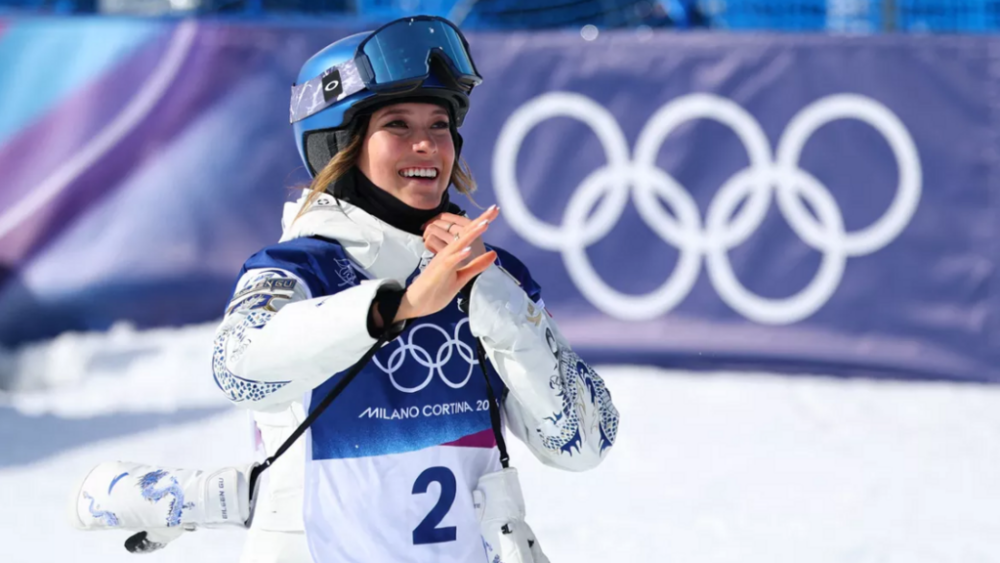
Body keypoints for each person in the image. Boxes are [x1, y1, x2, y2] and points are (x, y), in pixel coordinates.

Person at [69, 16, 619, 563]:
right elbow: (237, 367)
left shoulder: (495, 276)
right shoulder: (296, 268)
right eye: (398, 125)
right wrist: (395, 308)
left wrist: (494, 297)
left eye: (440, 125)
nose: (426, 144)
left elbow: (583, 445)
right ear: (342, 146)